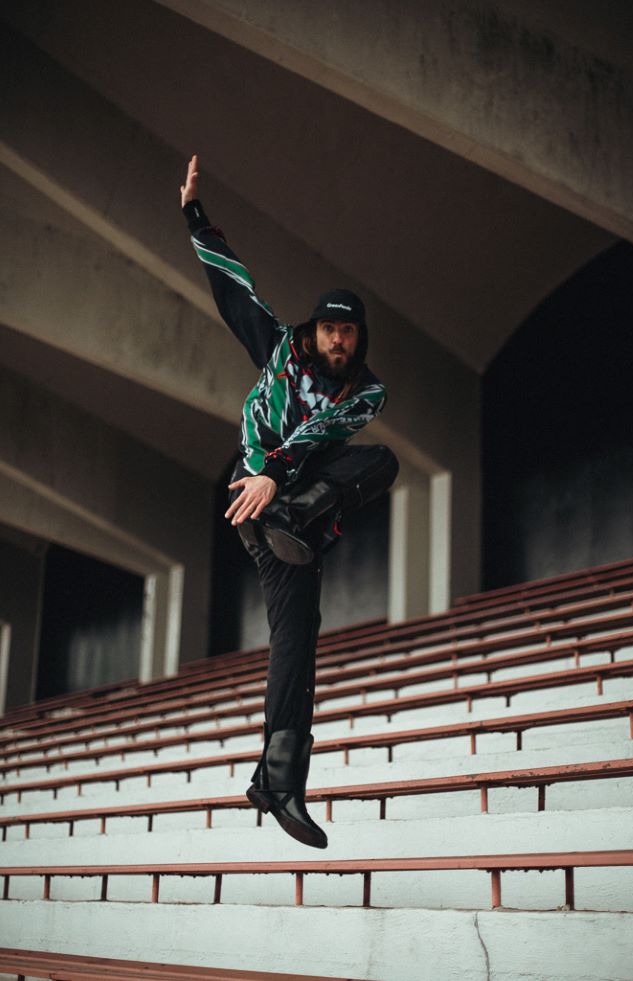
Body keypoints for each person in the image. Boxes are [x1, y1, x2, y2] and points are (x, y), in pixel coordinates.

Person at [181, 155, 399, 848]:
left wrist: (284, 480)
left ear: (358, 342)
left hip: (293, 509)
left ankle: (278, 784)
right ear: (314, 330)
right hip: (257, 507)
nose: (340, 341)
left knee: (298, 647)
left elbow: (320, 432)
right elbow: (232, 286)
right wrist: (193, 214)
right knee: (293, 637)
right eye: (331, 330)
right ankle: (289, 514)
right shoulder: (278, 347)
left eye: (350, 334)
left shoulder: (363, 393)